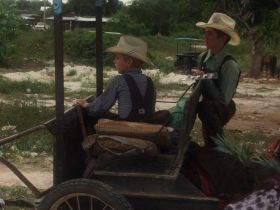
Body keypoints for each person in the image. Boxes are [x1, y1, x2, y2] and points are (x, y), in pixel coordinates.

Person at [76, 35, 156, 124]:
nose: (114, 61)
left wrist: (87, 105)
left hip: (126, 129)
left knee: (97, 115)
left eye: (117, 58)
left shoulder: (119, 80)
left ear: (129, 61)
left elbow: (99, 108)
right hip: (148, 129)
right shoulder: (149, 81)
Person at [193, 12, 241, 147]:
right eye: (205, 32)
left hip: (222, 108)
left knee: (207, 111)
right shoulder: (202, 57)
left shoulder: (229, 65)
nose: (205, 37)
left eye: (210, 34)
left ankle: (220, 151)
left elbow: (223, 101)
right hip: (207, 106)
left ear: (222, 38)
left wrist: (205, 78)